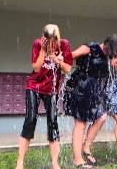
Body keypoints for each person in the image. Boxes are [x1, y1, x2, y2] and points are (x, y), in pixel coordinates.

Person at [16, 24, 73, 169]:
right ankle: (20, 162)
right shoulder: (38, 44)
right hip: (34, 86)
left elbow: (67, 69)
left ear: (58, 38)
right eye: (49, 40)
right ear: (44, 38)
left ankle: (55, 162)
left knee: (53, 122)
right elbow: (36, 67)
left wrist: (54, 57)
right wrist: (43, 50)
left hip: (51, 90)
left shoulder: (64, 45)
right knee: (30, 119)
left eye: (54, 40)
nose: (52, 44)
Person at [64, 34, 117, 168]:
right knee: (80, 123)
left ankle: (86, 146)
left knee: (102, 117)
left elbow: (114, 67)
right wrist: (59, 62)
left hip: (94, 91)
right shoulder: (90, 48)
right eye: (114, 51)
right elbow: (70, 56)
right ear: (107, 45)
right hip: (80, 87)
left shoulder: (110, 55)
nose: (115, 54)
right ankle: (77, 159)